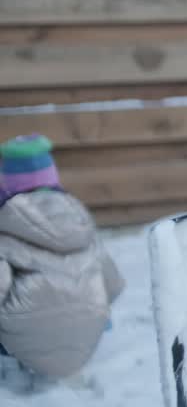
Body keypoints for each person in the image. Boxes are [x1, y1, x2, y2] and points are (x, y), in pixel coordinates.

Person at [0, 134, 124, 380]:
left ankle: (18, 371)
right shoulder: (78, 219)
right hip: (85, 341)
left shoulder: (5, 226)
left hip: (26, 341)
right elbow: (114, 284)